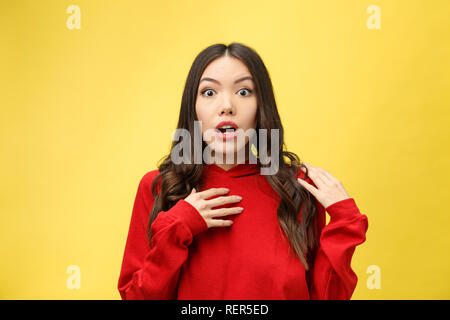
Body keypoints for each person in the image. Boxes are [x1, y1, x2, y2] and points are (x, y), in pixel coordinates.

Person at [117, 43, 369, 300]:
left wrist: (345, 221)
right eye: (209, 92)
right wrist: (178, 226)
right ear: (193, 108)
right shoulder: (161, 188)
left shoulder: (299, 189)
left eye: (244, 91)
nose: (226, 106)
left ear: (261, 106)